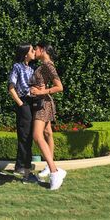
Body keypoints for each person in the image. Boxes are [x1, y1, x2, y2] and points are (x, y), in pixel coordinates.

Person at [30, 42, 67, 190]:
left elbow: (59, 87)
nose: (34, 51)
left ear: (43, 50)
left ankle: (54, 171)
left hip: (43, 103)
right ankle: (50, 166)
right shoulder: (44, 64)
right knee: (47, 133)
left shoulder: (48, 65)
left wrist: (40, 92)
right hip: (44, 102)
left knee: (37, 136)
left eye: (36, 49)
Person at [8, 43, 38, 183]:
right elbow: (11, 87)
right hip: (24, 104)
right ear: (26, 53)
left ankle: (21, 167)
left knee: (28, 137)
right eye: (32, 50)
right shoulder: (17, 66)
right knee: (25, 137)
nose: (34, 52)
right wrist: (20, 104)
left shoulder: (31, 68)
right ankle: (25, 172)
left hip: (32, 104)